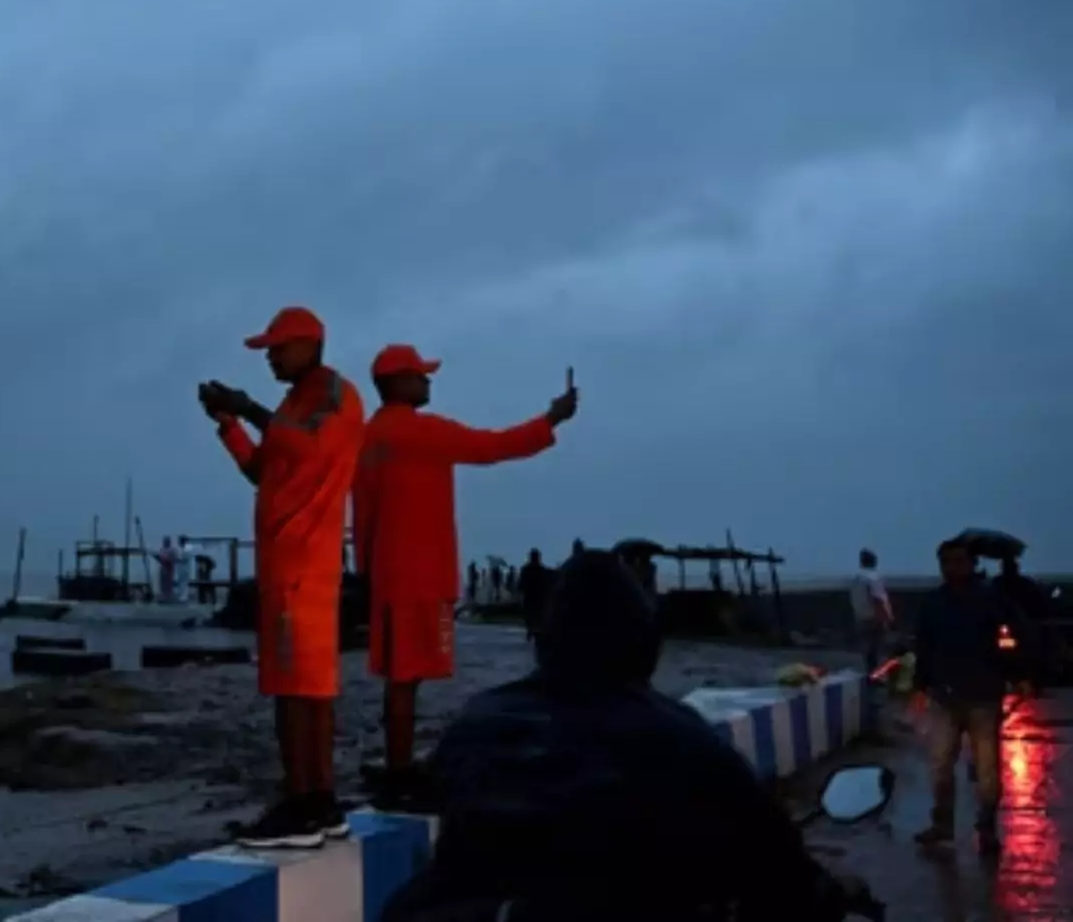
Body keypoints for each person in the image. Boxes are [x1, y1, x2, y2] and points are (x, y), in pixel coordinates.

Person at [379, 549, 866, 922]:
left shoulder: (478, 719)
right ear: (644, 639)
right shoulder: (679, 738)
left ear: (548, 638)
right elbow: (776, 860)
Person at [350, 343, 575, 802]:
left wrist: (366, 571)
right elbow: (492, 446)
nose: (428, 382)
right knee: (406, 677)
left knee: (399, 675)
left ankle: (398, 763)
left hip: (389, 575)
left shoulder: (369, 439)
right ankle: (398, 771)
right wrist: (551, 420)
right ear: (399, 382)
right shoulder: (423, 432)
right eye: (422, 375)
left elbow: (363, 515)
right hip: (423, 576)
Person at [200, 305, 365, 847]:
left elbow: (309, 445)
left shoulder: (335, 396)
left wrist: (246, 407)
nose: (269, 356)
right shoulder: (297, 403)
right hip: (288, 564)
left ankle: (302, 806)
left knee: (298, 692)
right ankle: (320, 803)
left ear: (309, 344)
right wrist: (228, 425)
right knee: (304, 688)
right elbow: (263, 469)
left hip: (303, 565)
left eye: (277, 347)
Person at [913, 537, 1040, 854]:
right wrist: (919, 684)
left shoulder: (992, 599)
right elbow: (924, 647)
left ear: (972, 563)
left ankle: (986, 828)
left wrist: (1021, 674)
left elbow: (1014, 635)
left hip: (984, 697)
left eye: (958, 561)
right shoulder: (932, 603)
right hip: (944, 696)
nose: (951, 568)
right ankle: (942, 826)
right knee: (940, 766)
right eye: (945, 562)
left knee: (987, 772)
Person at [849, 548, 894, 679]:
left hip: (861, 617)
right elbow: (878, 599)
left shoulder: (857, 579)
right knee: (877, 649)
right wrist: (888, 617)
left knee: (868, 651)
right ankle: (877, 676)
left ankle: (871, 675)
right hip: (874, 619)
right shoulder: (874, 578)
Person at [517, 548, 553, 643]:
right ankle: (533, 631)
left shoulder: (527, 570)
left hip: (533, 597)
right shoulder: (541, 570)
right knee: (534, 616)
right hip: (536, 597)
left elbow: (521, 584)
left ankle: (532, 631)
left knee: (532, 616)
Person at [154, 536, 180, 604]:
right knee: (162, 581)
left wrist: (169, 559)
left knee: (168, 582)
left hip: (169, 567)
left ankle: (168, 596)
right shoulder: (162, 549)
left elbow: (175, 558)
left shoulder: (172, 550)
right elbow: (159, 557)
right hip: (163, 567)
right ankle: (163, 595)